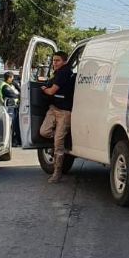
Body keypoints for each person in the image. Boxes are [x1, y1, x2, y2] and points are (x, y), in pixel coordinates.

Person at [39, 51, 75, 183]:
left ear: (64, 61)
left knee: (58, 146)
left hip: (64, 112)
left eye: (57, 60)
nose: (54, 63)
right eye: (53, 60)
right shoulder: (57, 73)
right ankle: (61, 139)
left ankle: (57, 173)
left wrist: (43, 89)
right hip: (54, 108)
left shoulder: (64, 72)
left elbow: (52, 91)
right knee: (44, 131)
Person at [0, 72, 22, 147]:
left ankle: (17, 140)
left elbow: (20, 91)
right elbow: (13, 95)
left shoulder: (11, 85)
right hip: (8, 107)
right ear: (9, 78)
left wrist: (16, 85)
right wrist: (19, 95)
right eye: (12, 78)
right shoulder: (5, 86)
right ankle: (12, 141)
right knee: (12, 124)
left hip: (14, 107)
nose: (13, 79)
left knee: (16, 125)